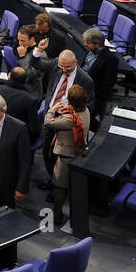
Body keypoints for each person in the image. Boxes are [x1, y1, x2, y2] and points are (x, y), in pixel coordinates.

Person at [44, 83, 90, 227]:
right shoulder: (86, 110)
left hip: (66, 157)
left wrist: (53, 109)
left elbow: (48, 122)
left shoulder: (69, 120)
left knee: (59, 187)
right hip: (78, 152)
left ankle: (56, 216)